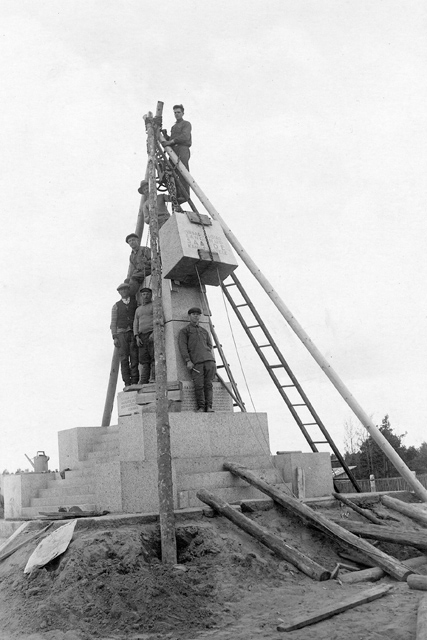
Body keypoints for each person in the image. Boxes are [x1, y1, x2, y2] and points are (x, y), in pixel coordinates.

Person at [178, 307, 216, 412]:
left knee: (208, 385)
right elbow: (183, 347)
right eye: (194, 314)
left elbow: (209, 345)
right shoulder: (185, 331)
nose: (196, 316)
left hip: (209, 361)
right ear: (189, 316)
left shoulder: (204, 331)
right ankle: (201, 406)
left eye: (198, 314)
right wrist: (188, 360)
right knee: (199, 385)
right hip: (197, 363)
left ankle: (209, 406)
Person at [110, 282, 139, 389]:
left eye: (125, 290)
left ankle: (135, 380)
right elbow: (113, 323)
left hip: (132, 333)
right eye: (121, 290)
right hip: (121, 334)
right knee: (124, 358)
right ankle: (127, 382)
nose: (124, 292)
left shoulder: (135, 303)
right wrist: (115, 337)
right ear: (119, 293)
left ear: (128, 290)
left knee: (134, 357)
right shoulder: (116, 306)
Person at [133, 287, 155, 384]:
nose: (145, 296)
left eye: (147, 294)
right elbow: (135, 323)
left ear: (151, 295)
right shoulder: (138, 310)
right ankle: (144, 380)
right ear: (141, 296)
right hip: (142, 337)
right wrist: (136, 336)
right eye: (143, 294)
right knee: (144, 359)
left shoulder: (154, 305)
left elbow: (159, 318)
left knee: (154, 357)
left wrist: (155, 333)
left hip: (152, 335)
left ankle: (154, 378)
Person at [162, 104, 192, 171]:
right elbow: (171, 140)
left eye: (178, 112)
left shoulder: (186, 124)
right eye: (175, 112)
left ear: (182, 113)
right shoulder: (173, 127)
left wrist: (171, 141)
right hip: (174, 150)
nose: (176, 114)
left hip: (182, 150)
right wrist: (165, 135)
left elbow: (185, 136)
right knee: (172, 172)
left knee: (183, 171)